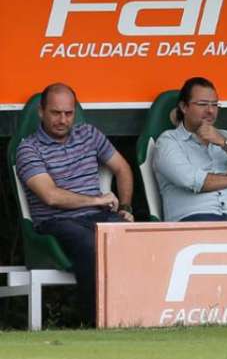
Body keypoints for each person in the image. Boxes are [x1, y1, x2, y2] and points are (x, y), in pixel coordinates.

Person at [16, 83, 134, 325]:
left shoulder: (89, 134)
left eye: (68, 113)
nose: (62, 119)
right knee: (92, 244)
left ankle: (139, 316)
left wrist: (126, 207)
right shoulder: (28, 149)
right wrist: (98, 199)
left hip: (97, 217)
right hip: (56, 221)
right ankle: (96, 322)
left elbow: (122, 168)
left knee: (133, 236)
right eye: (55, 113)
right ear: (41, 112)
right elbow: (51, 196)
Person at [153, 77, 227, 222]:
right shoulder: (168, 141)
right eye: (202, 104)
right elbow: (191, 181)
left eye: (215, 104)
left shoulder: (225, 136)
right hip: (194, 220)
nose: (210, 110)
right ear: (184, 107)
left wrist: (224, 143)